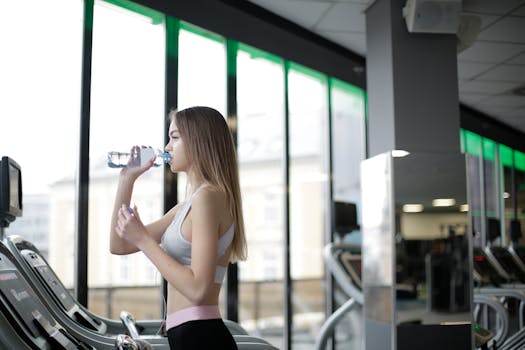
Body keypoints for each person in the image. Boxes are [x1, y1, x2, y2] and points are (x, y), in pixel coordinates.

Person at [109, 106, 247, 350]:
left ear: (199, 142)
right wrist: (126, 180)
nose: (168, 147)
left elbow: (198, 290)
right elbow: (119, 245)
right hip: (186, 335)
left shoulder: (209, 197)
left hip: (201, 336)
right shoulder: (187, 206)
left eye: (174, 137)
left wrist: (143, 239)